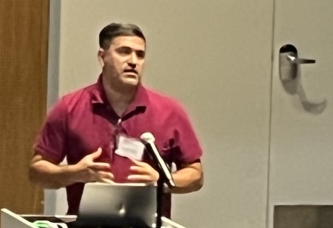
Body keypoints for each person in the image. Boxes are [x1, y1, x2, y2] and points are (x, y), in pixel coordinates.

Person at [31, 22, 204, 214]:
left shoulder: (169, 111)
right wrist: (74, 173)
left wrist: (162, 181)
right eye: (124, 52)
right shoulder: (69, 107)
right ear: (102, 57)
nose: (133, 61)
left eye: (140, 55)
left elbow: (196, 175)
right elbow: (37, 171)